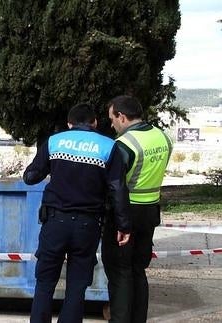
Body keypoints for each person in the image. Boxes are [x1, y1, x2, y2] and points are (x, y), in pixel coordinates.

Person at [23, 103, 131, 322]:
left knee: (44, 282)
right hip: (87, 226)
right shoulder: (109, 147)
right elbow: (117, 189)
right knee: (77, 286)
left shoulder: (54, 142)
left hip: (54, 223)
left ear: (69, 123)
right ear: (95, 123)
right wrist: (123, 226)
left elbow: (30, 177)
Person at [102, 95, 172, 322]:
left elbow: (114, 184)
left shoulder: (124, 145)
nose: (112, 124)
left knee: (120, 272)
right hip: (150, 212)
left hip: (125, 215)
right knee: (138, 270)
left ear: (121, 117)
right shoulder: (163, 137)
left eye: (112, 118)